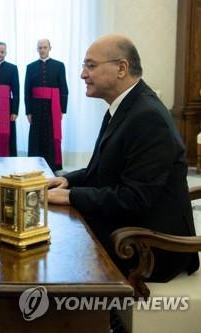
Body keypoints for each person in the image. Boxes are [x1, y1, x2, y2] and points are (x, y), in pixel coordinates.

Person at [47, 34, 199, 282]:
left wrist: (71, 197)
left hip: (151, 246)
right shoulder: (125, 106)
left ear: (121, 68)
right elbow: (102, 170)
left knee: (57, 251)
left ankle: (78, 318)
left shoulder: (147, 117)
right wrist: (66, 182)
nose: (83, 75)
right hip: (131, 227)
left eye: (91, 65)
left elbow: (134, 199)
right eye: (84, 66)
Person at [25, 39, 69, 171]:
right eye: (40, 48)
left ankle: (52, 165)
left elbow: (64, 88)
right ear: (37, 49)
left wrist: (62, 109)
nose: (42, 50)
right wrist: (28, 111)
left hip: (53, 106)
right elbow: (27, 91)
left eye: (45, 47)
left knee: (51, 135)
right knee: (35, 135)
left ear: (50, 48)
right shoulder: (30, 67)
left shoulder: (59, 65)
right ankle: (34, 165)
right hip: (36, 106)